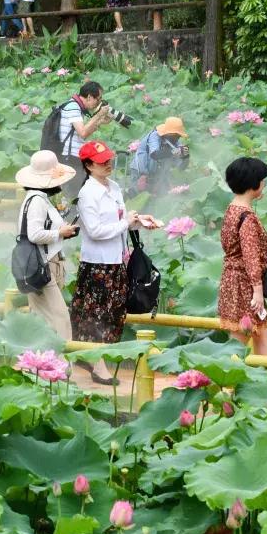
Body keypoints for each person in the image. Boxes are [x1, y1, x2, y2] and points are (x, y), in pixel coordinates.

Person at [71, 140, 158, 383]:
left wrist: (140, 221)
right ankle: (98, 365)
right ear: (88, 166)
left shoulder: (114, 187)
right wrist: (125, 223)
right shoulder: (87, 194)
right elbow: (96, 230)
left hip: (117, 259)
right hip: (97, 264)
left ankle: (95, 358)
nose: (108, 164)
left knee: (114, 313)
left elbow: (121, 218)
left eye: (108, 159)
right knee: (97, 314)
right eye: (101, 162)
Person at [219, 157, 267, 362]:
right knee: (239, 340)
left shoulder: (231, 210)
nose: (264, 184)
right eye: (262, 180)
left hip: (231, 281)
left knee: (260, 335)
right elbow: (251, 255)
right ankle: (221, 383)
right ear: (254, 184)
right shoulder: (247, 217)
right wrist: (258, 290)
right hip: (245, 285)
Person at [15, 150, 79, 339]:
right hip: (42, 266)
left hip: (45, 262)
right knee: (60, 318)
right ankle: (61, 363)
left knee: (42, 318)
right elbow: (34, 234)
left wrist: (62, 234)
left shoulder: (38, 199)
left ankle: (40, 363)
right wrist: (60, 232)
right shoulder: (37, 202)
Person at [55, 81, 112, 202]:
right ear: (90, 97)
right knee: (75, 194)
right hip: (69, 158)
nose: (99, 102)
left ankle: (76, 217)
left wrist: (100, 121)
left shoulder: (75, 107)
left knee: (78, 192)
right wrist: (99, 115)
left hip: (72, 157)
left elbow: (81, 135)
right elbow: (83, 132)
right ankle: (73, 219)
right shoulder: (73, 107)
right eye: (99, 98)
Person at [129, 116, 190, 195]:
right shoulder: (154, 136)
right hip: (140, 171)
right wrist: (175, 151)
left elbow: (181, 167)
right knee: (135, 196)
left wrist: (186, 157)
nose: (178, 138)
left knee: (157, 198)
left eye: (179, 136)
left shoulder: (175, 143)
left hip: (157, 174)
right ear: (169, 133)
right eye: (176, 135)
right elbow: (155, 154)